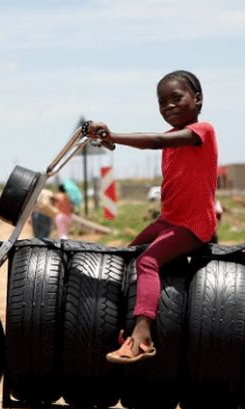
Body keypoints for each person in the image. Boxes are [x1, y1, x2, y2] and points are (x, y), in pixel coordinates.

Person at [86, 70, 218, 364]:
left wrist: (114, 135)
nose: (169, 106)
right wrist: (111, 140)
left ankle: (142, 336)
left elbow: (156, 140)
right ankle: (122, 320)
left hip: (194, 224)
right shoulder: (173, 139)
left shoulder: (202, 132)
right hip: (170, 219)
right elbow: (159, 140)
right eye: (162, 102)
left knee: (148, 261)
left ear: (197, 99)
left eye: (176, 98)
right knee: (130, 252)